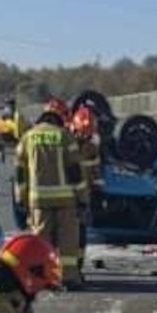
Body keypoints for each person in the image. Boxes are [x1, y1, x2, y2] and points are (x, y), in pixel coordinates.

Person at [14, 99, 87, 288]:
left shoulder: (28, 137)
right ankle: (69, 277)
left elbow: (20, 174)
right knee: (68, 242)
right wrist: (82, 199)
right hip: (65, 199)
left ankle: (42, 278)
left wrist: (21, 199)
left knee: (41, 241)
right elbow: (74, 171)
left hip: (38, 199)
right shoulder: (64, 136)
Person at [69, 105, 104, 270]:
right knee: (66, 235)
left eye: (89, 132)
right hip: (67, 196)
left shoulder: (92, 146)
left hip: (83, 197)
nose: (86, 135)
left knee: (81, 235)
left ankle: (77, 268)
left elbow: (95, 170)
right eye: (84, 131)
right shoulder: (66, 143)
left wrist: (97, 188)